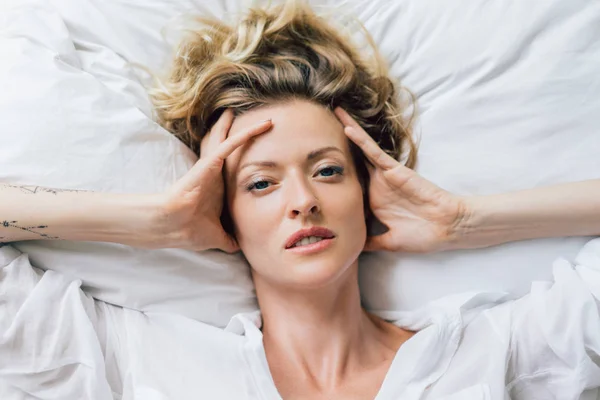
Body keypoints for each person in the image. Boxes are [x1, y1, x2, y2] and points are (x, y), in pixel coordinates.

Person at [1, 1, 599, 398]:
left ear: (364, 193)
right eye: (261, 183)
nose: (303, 201)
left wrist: (466, 222)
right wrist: (156, 222)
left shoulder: (493, 349)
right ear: (223, 214)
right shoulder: (138, 359)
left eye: (328, 170)